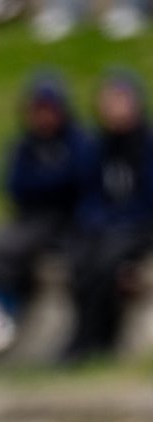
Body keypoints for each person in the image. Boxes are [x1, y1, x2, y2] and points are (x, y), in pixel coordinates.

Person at [0, 71, 92, 362]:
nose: (43, 117)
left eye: (48, 109)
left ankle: (0, 315)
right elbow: (15, 187)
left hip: (67, 223)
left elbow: (76, 184)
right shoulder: (24, 147)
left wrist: (48, 186)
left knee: (9, 249)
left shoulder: (78, 143)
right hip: (30, 219)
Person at [61, 70, 153, 362]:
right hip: (109, 226)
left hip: (139, 225)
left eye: (121, 101)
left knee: (108, 261)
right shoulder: (99, 145)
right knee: (80, 258)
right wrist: (97, 219)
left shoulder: (146, 145)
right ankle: (82, 336)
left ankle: (98, 338)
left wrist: (119, 221)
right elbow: (90, 193)